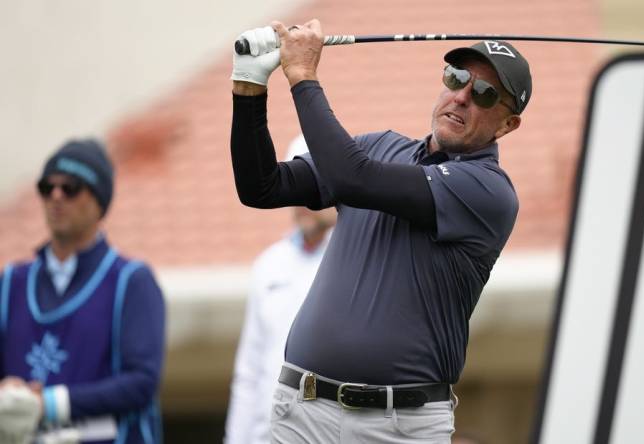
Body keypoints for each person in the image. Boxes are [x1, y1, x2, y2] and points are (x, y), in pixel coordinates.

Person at [229, 19, 530, 443]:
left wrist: (302, 77)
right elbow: (262, 187)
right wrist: (249, 87)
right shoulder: (379, 147)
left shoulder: (488, 190)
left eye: (484, 94)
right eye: (456, 78)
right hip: (301, 413)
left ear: (507, 125)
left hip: (397, 427)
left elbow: (355, 179)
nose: (461, 97)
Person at [0, 139, 166, 444]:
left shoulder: (132, 281)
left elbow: (141, 383)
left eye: (71, 187)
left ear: (99, 200)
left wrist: (48, 404)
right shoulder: (11, 281)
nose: (57, 196)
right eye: (47, 187)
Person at [224, 135, 336, 444]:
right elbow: (249, 369)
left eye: (311, 187)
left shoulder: (358, 259)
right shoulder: (268, 265)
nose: (302, 201)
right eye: (294, 185)